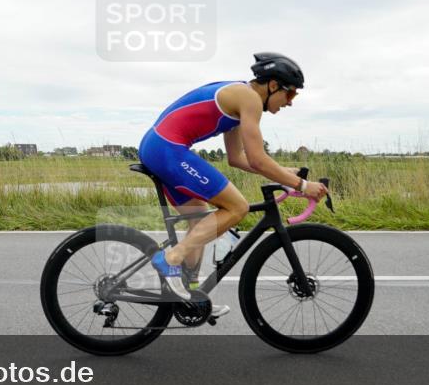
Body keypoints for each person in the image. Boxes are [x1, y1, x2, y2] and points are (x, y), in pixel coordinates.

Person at [138, 53, 328, 317]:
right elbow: (258, 160)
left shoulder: (241, 98)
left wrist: (284, 174)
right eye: (291, 94)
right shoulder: (249, 98)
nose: (290, 103)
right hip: (167, 149)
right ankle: (169, 259)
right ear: (273, 85)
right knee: (236, 207)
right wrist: (303, 185)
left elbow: (237, 158)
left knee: (199, 219)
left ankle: (191, 295)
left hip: (159, 147)